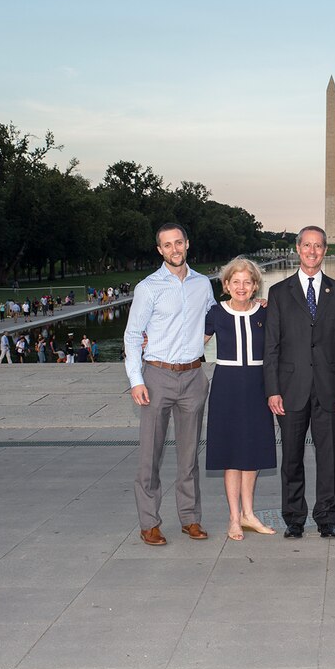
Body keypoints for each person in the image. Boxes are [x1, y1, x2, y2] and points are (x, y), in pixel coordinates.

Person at [264, 226, 335, 539]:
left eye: (318, 246)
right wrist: (272, 389)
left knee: (329, 458)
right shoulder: (278, 293)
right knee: (291, 458)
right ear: (297, 248)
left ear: (325, 250)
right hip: (291, 389)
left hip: (330, 388)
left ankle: (326, 518)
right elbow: (271, 347)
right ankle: (293, 518)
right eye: (307, 245)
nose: (312, 251)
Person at [124, 223, 215, 546]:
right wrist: (136, 380)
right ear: (159, 250)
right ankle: (149, 522)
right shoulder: (148, 287)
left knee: (189, 455)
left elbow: (214, 319)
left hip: (192, 376)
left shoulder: (203, 284)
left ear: (187, 244)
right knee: (151, 454)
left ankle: (190, 517)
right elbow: (133, 335)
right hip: (157, 375)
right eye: (167, 245)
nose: (175, 249)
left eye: (179, 242)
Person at [205, 257, 278, 540]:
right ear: (226, 285)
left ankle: (249, 514)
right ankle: (234, 517)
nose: (241, 286)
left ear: (256, 286)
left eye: (247, 282)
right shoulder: (215, 313)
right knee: (231, 454)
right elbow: (192, 342)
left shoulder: (265, 313)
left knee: (252, 453)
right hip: (227, 386)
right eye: (235, 282)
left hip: (258, 385)